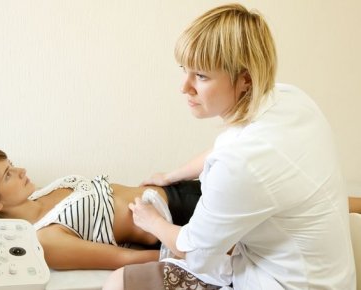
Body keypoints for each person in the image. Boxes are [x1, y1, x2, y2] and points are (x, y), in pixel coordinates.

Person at [103, 3, 356, 290]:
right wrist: (171, 176)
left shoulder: (241, 164)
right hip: (329, 276)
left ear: (245, 79)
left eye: (201, 76)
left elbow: (193, 250)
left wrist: (152, 222)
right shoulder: (290, 99)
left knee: (119, 282)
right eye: (184, 70)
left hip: (287, 283)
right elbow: (226, 148)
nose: (184, 87)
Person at [0, 148, 204, 270]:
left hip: (180, 190)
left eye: (13, 164)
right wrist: (190, 256)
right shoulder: (46, 238)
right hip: (181, 221)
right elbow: (122, 260)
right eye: (8, 175)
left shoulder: (39, 193)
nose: (21, 171)